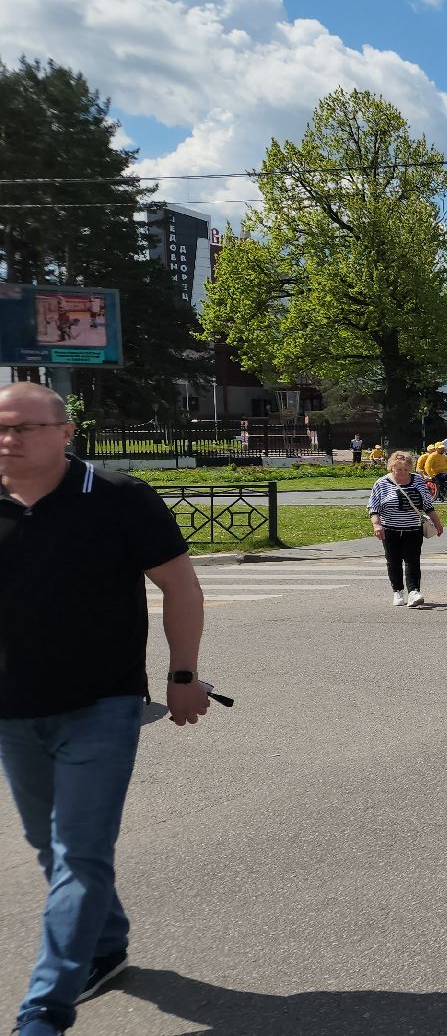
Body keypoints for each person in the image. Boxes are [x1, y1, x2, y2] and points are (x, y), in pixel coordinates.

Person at [0, 382, 211, 1036]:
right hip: (12, 710)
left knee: (80, 851)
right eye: (0, 428)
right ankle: (105, 944)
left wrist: (183, 674)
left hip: (103, 704)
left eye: (25, 427)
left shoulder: (118, 497)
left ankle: (44, 1011)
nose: (9, 439)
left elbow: (180, 585)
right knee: (50, 845)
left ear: (66, 433)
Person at [368, 450, 444, 608]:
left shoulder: (418, 481)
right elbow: (373, 507)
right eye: (398, 469)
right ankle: (397, 591)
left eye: (406, 469)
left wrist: (437, 523)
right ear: (391, 468)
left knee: (412, 560)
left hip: (413, 529)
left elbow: (427, 505)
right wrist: (377, 524)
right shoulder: (382, 483)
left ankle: (414, 592)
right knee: (393, 561)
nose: (402, 472)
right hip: (390, 530)